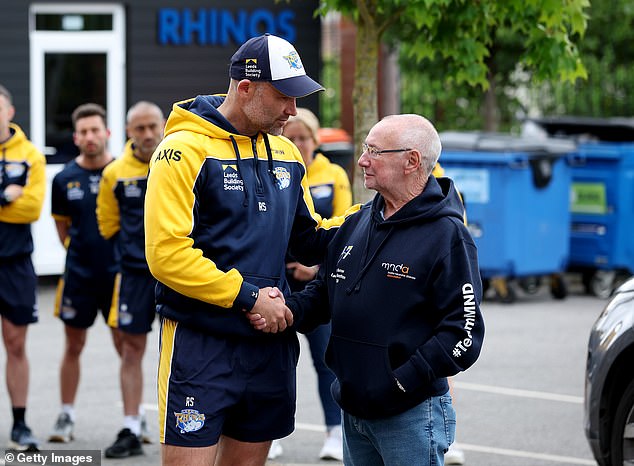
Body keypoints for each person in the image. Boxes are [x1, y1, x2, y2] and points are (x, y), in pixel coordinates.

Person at [144, 33, 354, 466]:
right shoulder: (181, 150)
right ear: (245, 89)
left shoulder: (288, 152)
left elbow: (309, 239)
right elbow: (165, 254)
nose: (293, 110)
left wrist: (375, 222)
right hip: (201, 344)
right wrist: (250, 296)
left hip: (268, 344)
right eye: (284, 97)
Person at [252, 114, 485, 465]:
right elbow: (324, 293)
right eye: (365, 149)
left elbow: (464, 333)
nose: (362, 160)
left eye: (374, 151)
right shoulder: (358, 221)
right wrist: (285, 310)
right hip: (354, 408)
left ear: (411, 161)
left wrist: (402, 382)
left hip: (409, 412)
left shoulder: (448, 236)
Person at [269, 108, 351, 461]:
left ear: (316, 141)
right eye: (292, 137)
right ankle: (268, 433)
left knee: (324, 360)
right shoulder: (277, 168)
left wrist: (315, 267)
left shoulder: (332, 174)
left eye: (303, 137)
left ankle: (334, 430)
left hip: (317, 279)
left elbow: (341, 223)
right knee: (273, 360)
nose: (297, 143)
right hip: (277, 281)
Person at [96, 101, 165, 458]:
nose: (148, 134)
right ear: (128, 132)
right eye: (140, 128)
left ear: (164, 125)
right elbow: (107, 226)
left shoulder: (177, 161)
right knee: (131, 350)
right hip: (134, 276)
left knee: (179, 348)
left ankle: (183, 423)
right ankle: (132, 427)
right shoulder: (115, 173)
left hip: (175, 274)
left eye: (153, 126)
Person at [49, 103, 120, 444]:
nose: (90, 137)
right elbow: (62, 230)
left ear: (107, 133)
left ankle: (134, 423)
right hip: (78, 275)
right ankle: (66, 415)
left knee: (127, 347)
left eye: (96, 130)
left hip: (119, 275)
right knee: (72, 345)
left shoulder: (124, 172)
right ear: (75, 137)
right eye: (84, 132)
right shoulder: (64, 179)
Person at [0, 84, 46, 451]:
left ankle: (19, 424)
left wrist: (17, 196)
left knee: (16, 344)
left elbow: (31, 208)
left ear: (10, 112)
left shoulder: (30, 154)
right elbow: (16, 200)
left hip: (15, 263)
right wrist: (5, 192)